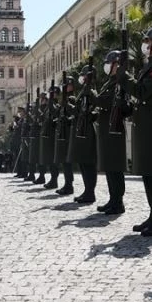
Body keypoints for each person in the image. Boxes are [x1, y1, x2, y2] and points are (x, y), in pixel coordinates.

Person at [117, 26, 152, 236]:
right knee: (148, 173)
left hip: (151, 121)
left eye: (149, 41)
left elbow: (142, 91)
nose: (146, 45)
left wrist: (124, 77)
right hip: (144, 120)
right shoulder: (150, 66)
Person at [94, 50, 128, 215]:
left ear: (116, 64)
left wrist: (93, 96)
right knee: (109, 166)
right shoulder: (110, 82)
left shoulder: (120, 82)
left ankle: (118, 201)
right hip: (106, 128)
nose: (107, 66)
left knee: (115, 166)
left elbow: (108, 101)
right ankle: (113, 199)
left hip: (115, 129)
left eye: (109, 63)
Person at [68, 65, 98, 204]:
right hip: (81, 129)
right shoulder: (83, 91)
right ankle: (87, 190)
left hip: (87, 131)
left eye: (83, 75)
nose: (81, 77)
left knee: (88, 163)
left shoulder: (91, 91)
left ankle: (90, 192)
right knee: (83, 163)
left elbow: (93, 109)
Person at [54, 77, 75, 195]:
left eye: (66, 85)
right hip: (63, 133)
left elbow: (73, 114)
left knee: (67, 161)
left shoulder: (72, 98)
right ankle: (67, 184)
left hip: (68, 133)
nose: (64, 88)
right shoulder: (64, 99)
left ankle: (69, 185)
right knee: (65, 161)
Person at [40, 85, 60, 189]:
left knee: (54, 160)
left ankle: (54, 180)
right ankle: (52, 179)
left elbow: (55, 114)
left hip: (53, 135)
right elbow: (43, 117)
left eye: (53, 93)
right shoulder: (49, 106)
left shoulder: (57, 104)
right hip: (48, 135)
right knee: (50, 159)